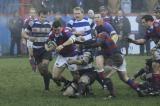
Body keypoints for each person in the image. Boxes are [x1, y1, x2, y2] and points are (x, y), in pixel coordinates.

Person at [82, 14, 142, 98]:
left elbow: (98, 43)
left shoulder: (103, 33)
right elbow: (96, 43)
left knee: (105, 74)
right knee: (124, 78)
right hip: (116, 56)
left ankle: (111, 93)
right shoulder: (100, 33)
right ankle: (139, 89)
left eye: (98, 18)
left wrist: (87, 45)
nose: (93, 33)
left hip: (116, 58)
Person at [127, 15, 160, 93]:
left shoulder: (157, 25)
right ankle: (154, 87)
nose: (142, 24)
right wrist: (133, 41)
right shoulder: (149, 29)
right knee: (152, 67)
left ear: (149, 21)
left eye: (144, 22)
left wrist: (156, 47)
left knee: (154, 66)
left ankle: (156, 88)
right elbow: (143, 40)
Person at [22, 9, 53, 91]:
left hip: (45, 49)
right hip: (36, 49)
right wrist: (28, 37)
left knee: (45, 65)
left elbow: (53, 35)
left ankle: (47, 88)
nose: (43, 19)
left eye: (45, 17)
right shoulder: (32, 23)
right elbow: (24, 33)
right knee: (42, 71)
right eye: (42, 17)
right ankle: (56, 78)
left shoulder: (50, 24)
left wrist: (51, 43)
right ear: (38, 16)